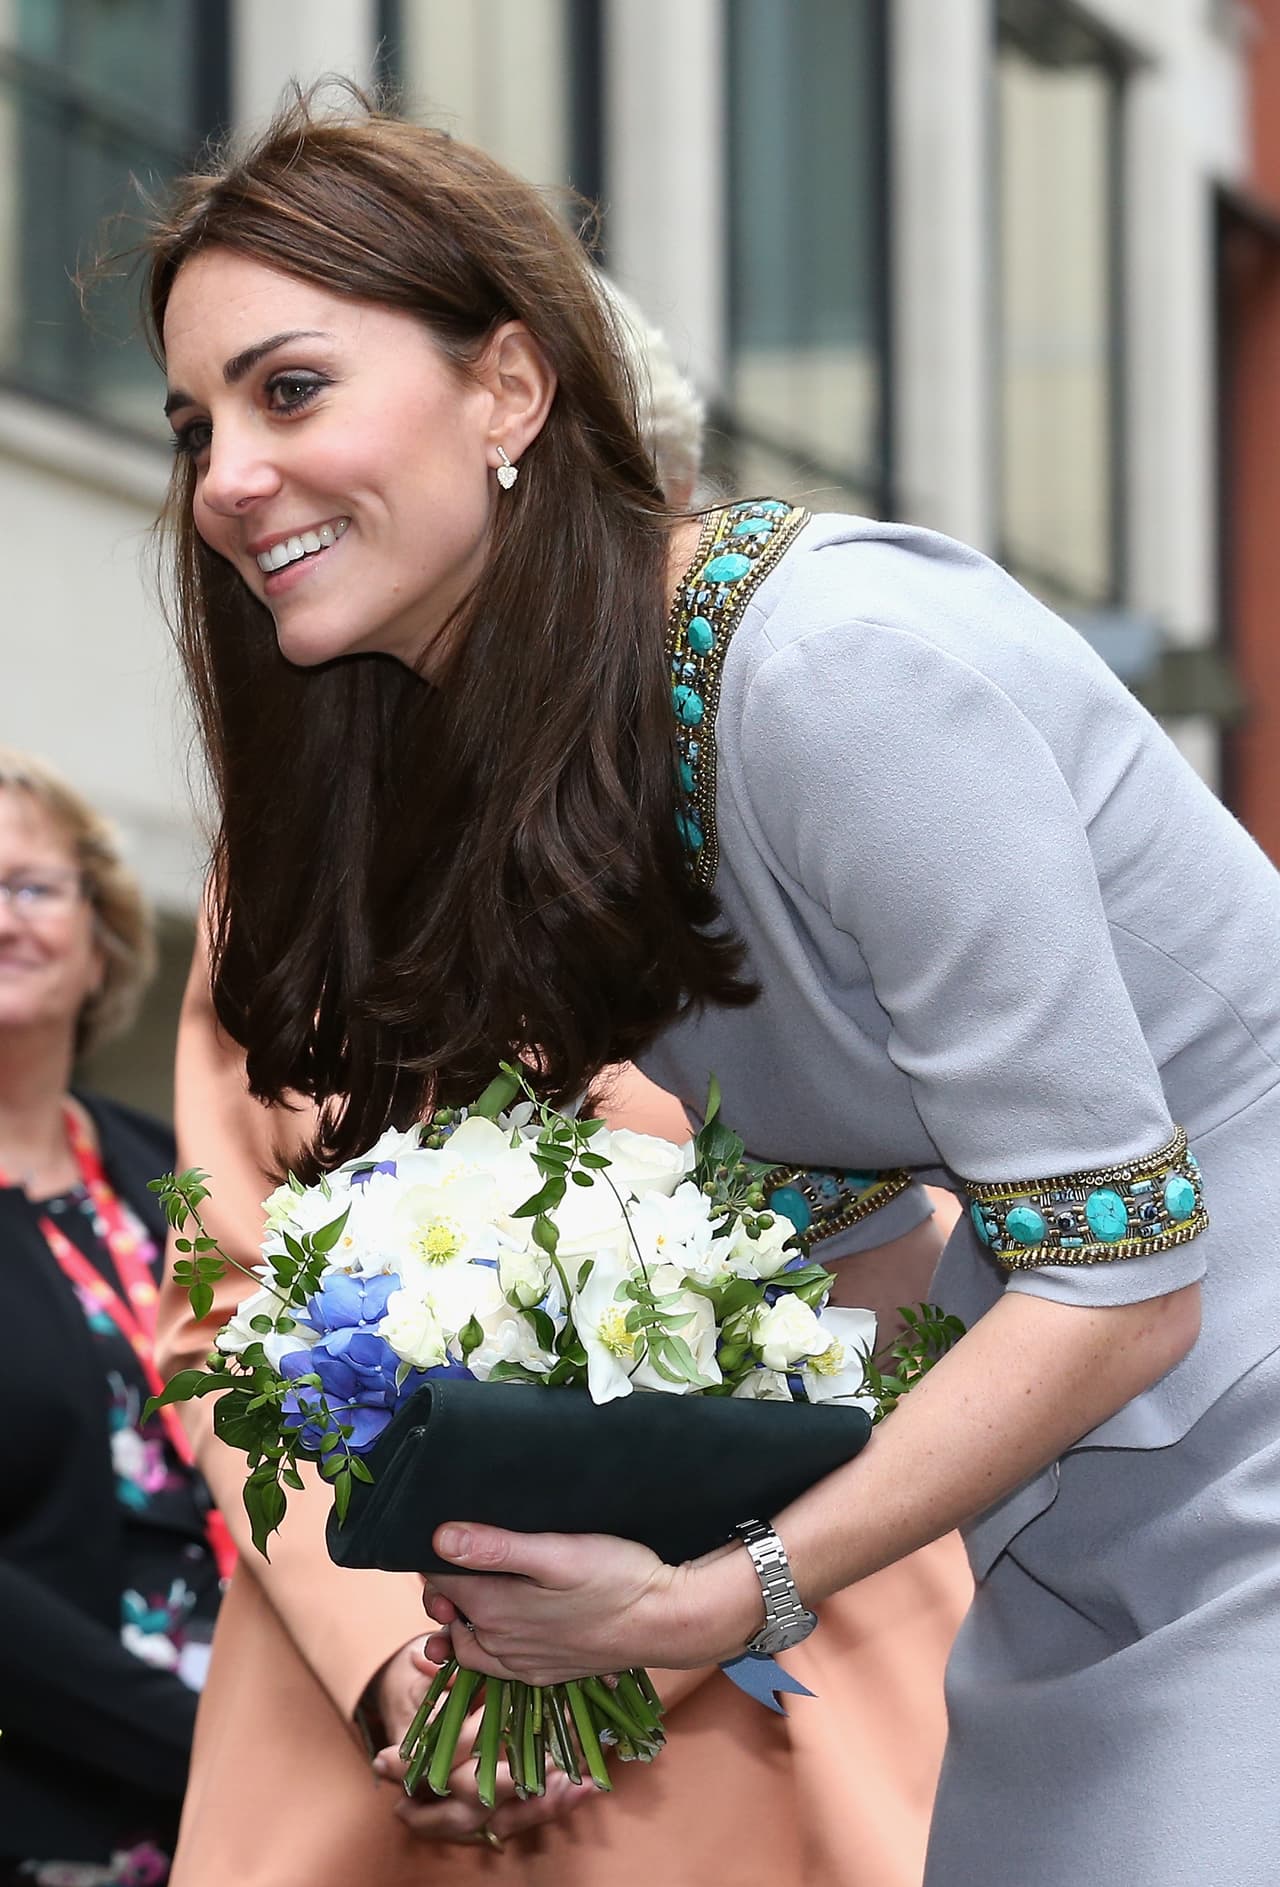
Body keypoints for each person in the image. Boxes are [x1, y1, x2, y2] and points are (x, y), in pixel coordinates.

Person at [145, 92, 1280, 1886]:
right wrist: (549, 1492)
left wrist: (714, 1591)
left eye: (289, 391)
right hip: (1076, 1520)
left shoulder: (835, 670)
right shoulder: (549, 781)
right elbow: (878, 1251)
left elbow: (1125, 1282)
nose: (225, 477)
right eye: (195, 424)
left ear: (511, 391)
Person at [155, 267, 969, 1884]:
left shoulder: (781, 797)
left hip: (769, 1687)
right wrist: (402, 1664)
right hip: (373, 1720)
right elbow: (230, 1297)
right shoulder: (295, 852)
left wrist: (625, 1649)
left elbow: (909, 1275)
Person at [0, 751, 226, 1887]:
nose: (2, 922)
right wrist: (202, 1751)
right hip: (49, 1814)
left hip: (266, 1782)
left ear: (101, 938)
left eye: (30, 888)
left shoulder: (171, 1170)